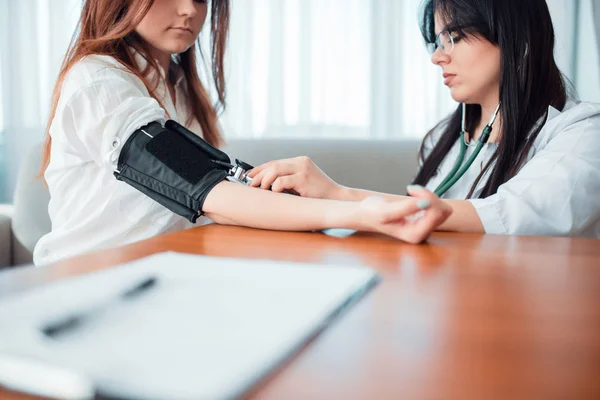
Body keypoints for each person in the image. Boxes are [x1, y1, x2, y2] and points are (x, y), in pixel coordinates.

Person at [34, 0, 452, 265]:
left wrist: (373, 208)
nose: (189, 10)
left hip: (158, 276)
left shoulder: (180, 88)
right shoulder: (97, 82)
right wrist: (359, 214)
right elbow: (201, 188)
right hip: (84, 281)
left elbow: (221, 185)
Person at [248, 0, 600, 238]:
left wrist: (338, 195)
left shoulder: (581, 133)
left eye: (455, 38)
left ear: (516, 39)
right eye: (437, 42)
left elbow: (516, 214)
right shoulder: (443, 141)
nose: (437, 58)